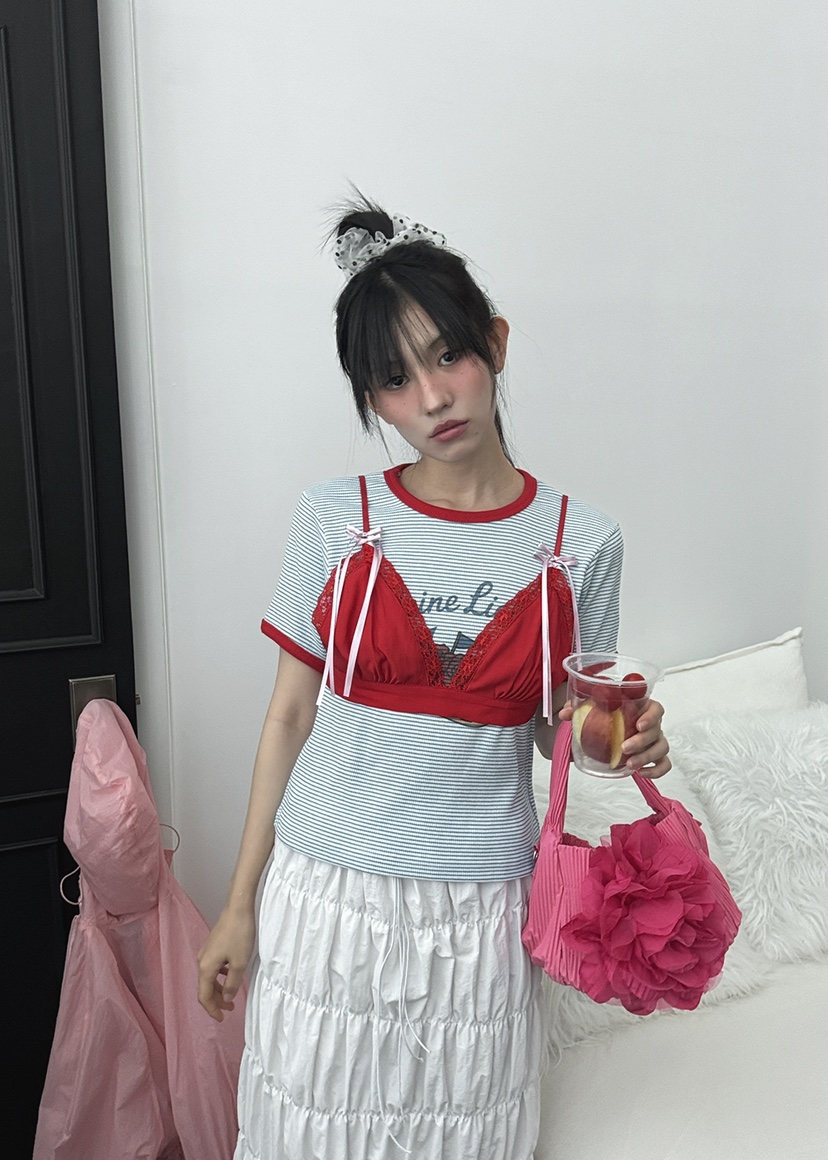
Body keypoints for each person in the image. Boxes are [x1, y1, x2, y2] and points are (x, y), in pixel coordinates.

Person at [197, 196, 671, 1160]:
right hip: (331, 899)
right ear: (371, 400)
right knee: (312, 1133)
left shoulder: (583, 542)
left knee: (464, 1136)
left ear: (495, 343)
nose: (432, 397)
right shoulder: (335, 520)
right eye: (395, 379)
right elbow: (288, 717)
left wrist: (625, 742)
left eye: (448, 356)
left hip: (481, 913)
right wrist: (240, 903)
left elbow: (560, 728)